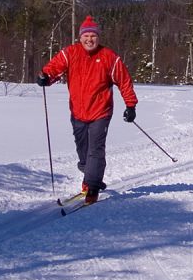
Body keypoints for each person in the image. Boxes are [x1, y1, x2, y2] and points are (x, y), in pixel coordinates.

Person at [37, 16, 137, 204]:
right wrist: (45, 76)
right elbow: (54, 68)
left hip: (101, 111)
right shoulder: (70, 53)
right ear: (80, 37)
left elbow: (124, 81)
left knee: (95, 149)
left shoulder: (109, 57)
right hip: (78, 112)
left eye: (93, 36)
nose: (89, 39)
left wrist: (130, 105)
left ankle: (91, 186)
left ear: (98, 37)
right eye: (86, 36)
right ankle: (92, 173)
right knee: (83, 150)